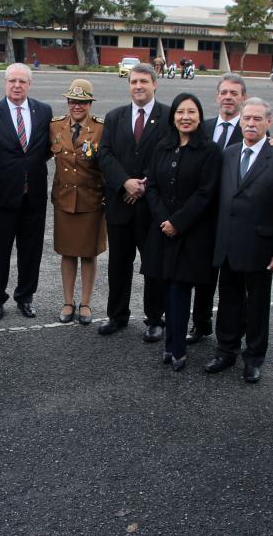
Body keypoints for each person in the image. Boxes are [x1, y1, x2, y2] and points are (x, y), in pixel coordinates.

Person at [206, 97, 273, 383]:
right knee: (229, 299)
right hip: (229, 243)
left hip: (260, 246)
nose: (251, 123)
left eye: (258, 119)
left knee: (257, 305)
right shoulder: (230, 153)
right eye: (247, 119)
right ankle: (226, 350)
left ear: (269, 122)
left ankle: (254, 357)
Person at [142, 93, 221, 371]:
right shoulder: (162, 146)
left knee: (179, 291)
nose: (185, 117)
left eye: (191, 112)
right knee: (164, 287)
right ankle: (169, 345)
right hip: (162, 231)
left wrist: (178, 222)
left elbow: (205, 193)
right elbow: (151, 186)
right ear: (172, 116)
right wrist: (164, 219)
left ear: (199, 117)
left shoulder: (209, 151)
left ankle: (178, 349)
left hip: (190, 234)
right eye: (180, 112)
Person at [0, 63, 53, 320]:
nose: (17, 85)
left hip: (34, 197)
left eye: (22, 81)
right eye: (12, 81)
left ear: (30, 84)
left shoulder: (43, 111)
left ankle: (25, 296)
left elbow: (45, 150)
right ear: (5, 83)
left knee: (31, 252)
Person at [98, 63, 169, 341]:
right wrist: (125, 182)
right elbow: (104, 155)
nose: (138, 86)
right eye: (133, 82)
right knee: (118, 264)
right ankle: (117, 315)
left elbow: (169, 155)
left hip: (151, 207)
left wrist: (144, 184)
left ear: (155, 84)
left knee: (153, 265)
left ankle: (155, 318)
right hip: (120, 205)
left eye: (143, 81)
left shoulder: (167, 117)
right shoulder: (114, 117)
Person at [187, 73, 247, 345]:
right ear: (217, 96)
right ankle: (200, 324)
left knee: (232, 282)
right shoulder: (204, 127)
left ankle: (231, 332)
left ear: (242, 98)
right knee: (201, 275)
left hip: (233, 220)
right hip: (204, 217)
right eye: (224, 92)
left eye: (234, 93)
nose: (228, 97)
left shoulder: (251, 131)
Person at [49, 79, 107, 325]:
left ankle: (85, 302)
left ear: (90, 103)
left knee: (89, 253)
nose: (77, 106)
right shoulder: (55, 127)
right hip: (64, 199)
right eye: (73, 101)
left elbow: (107, 163)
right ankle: (67, 301)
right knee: (67, 252)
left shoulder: (101, 128)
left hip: (91, 200)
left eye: (82, 102)